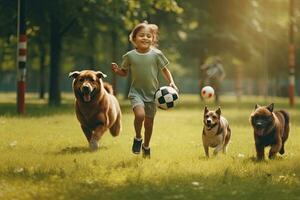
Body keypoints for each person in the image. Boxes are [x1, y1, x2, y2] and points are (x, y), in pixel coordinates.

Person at [111, 21, 178, 158]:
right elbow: (124, 72)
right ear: (134, 38)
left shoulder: (157, 54)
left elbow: (165, 70)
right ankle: (137, 138)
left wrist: (171, 82)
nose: (145, 38)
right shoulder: (130, 56)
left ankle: (146, 146)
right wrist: (117, 70)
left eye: (149, 36)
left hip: (153, 95)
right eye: (142, 35)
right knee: (140, 115)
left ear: (153, 39)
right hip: (136, 93)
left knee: (149, 124)